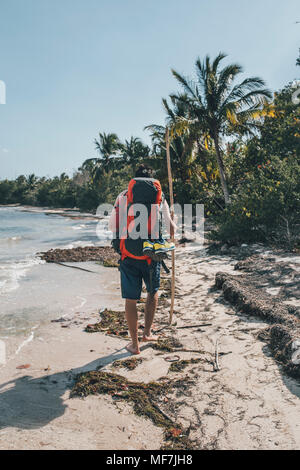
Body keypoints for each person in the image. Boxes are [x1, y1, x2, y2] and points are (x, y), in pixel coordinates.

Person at [109, 164, 176, 355]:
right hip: (151, 255)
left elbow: (112, 226)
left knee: (131, 300)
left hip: (128, 255)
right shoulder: (159, 197)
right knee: (152, 291)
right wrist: (174, 219)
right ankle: (147, 333)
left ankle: (134, 344)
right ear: (153, 181)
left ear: (133, 180)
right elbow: (172, 230)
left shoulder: (123, 197)